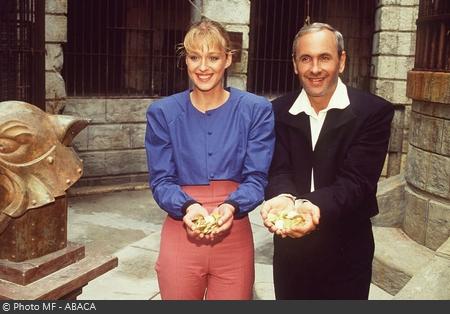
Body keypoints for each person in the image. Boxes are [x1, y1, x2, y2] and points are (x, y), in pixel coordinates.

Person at [261, 22, 394, 300]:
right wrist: (282, 197)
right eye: (305, 59)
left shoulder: (373, 112)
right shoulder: (277, 111)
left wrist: (311, 207)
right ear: (295, 64)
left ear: (341, 61)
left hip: (347, 248)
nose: (315, 68)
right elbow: (278, 169)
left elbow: (357, 182)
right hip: (291, 251)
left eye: (324, 57)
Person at [145, 17, 275, 300]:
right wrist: (189, 208)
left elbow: (256, 178)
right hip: (182, 227)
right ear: (186, 60)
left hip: (234, 231)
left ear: (228, 59)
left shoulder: (256, 110)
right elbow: (161, 180)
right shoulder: (163, 113)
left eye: (213, 57)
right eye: (194, 57)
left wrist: (230, 207)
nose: (203, 67)